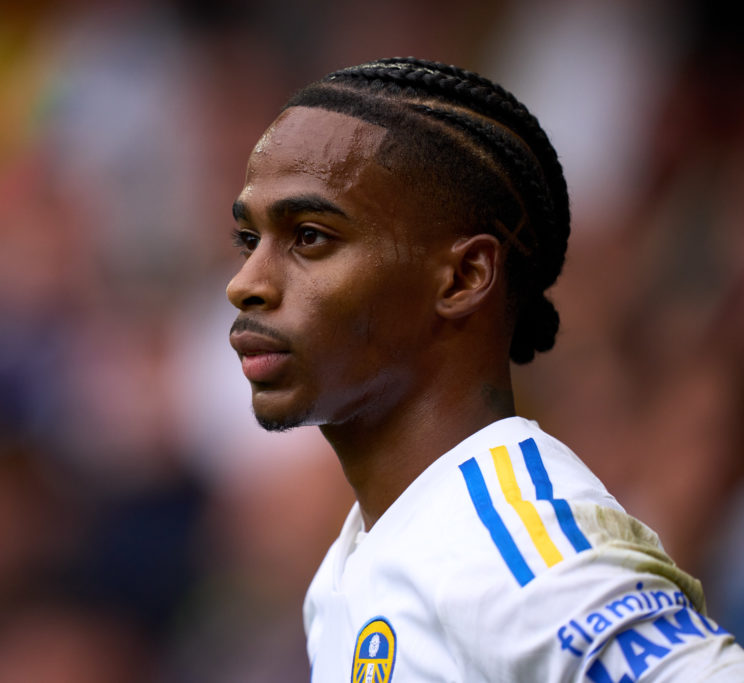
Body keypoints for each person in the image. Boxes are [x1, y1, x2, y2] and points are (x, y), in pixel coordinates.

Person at [225, 57, 744, 682]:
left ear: (464, 277)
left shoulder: (513, 544)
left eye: (309, 237)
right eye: (249, 241)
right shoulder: (356, 559)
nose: (245, 285)